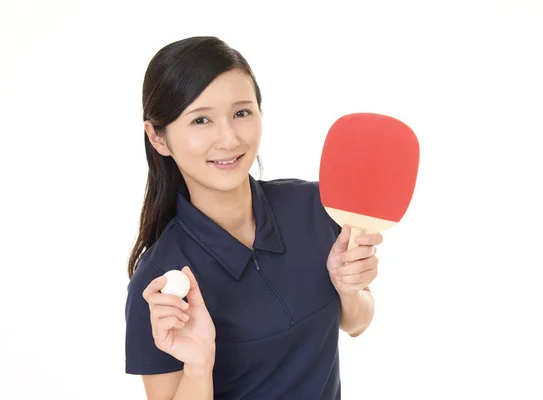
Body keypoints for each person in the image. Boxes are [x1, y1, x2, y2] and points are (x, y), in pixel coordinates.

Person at [124, 36, 383, 400]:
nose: (228, 138)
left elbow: (357, 322)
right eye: (201, 120)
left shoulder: (316, 206)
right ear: (159, 138)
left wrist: (348, 289)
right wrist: (199, 366)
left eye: (242, 113)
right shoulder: (159, 281)